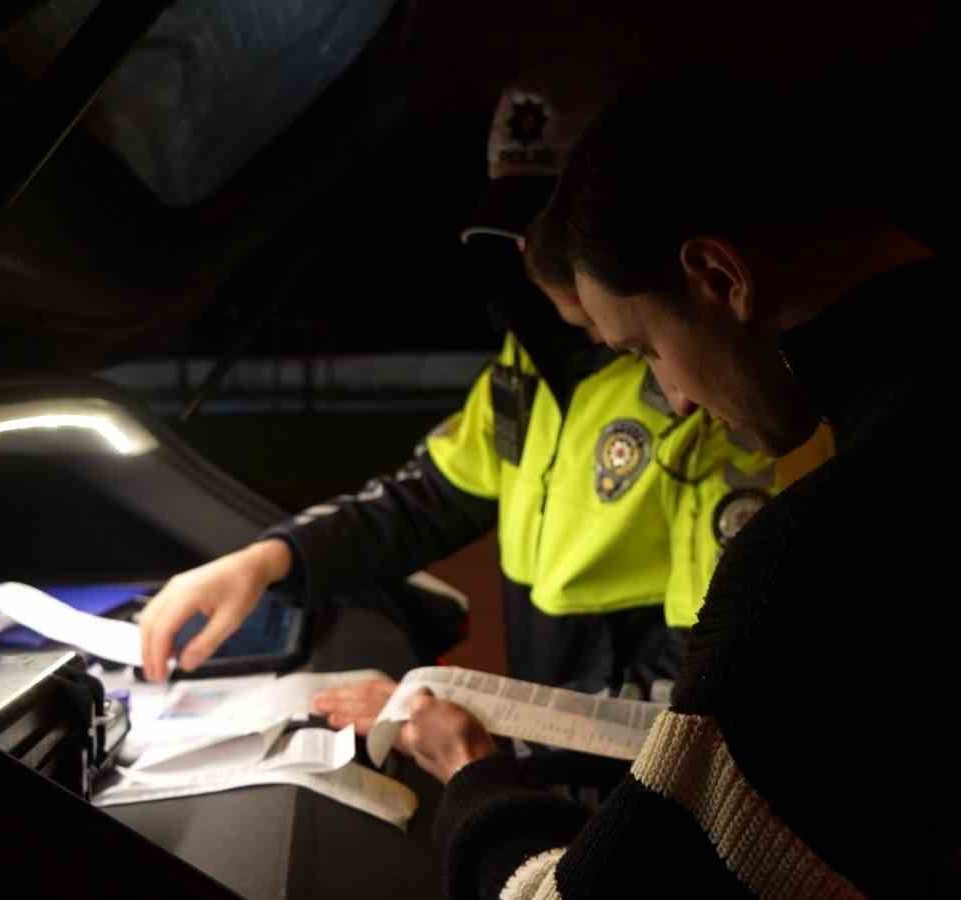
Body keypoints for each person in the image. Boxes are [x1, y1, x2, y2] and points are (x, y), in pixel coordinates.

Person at [400, 72, 961, 899]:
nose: (674, 399)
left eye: (646, 351)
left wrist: (474, 779)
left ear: (719, 277)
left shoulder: (837, 555)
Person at [139, 71, 823, 724]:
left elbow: (694, 691)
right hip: (558, 735)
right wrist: (270, 559)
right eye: (516, 232)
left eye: (550, 231)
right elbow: (430, 496)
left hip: (629, 766)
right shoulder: (526, 364)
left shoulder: (709, 392)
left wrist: (492, 728)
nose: (530, 256)